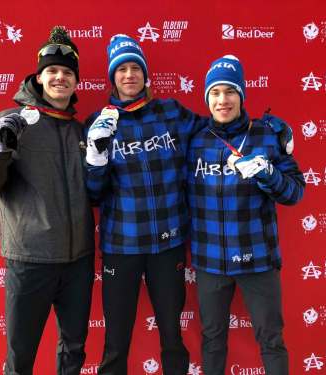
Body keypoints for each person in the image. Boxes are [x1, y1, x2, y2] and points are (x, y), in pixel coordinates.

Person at [0, 27, 95, 375]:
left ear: (75, 82)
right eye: (52, 71)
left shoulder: (80, 130)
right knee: (20, 356)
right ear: (39, 77)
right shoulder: (11, 121)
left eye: (67, 73)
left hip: (78, 261)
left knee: (74, 350)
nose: (60, 78)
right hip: (31, 260)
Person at [85, 34, 200, 375]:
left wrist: (259, 134)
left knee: (171, 335)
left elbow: (215, 136)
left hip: (168, 244)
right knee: (116, 341)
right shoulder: (99, 122)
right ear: (113, 77)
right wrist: (96, 155)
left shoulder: (170, 112)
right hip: (122, 245)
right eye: (121, 69)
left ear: (146, 74)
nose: (129, 75)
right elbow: (93, 193)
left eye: (136, 67)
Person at [186, 55, 305, 375]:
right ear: (207, 98)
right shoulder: (195, 138)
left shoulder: (266, 135)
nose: (222, 100)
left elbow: (295, 193)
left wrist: (268, 172)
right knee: (212, 340)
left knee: (271, 340)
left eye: (229, 91)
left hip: (258, 259)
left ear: (241, 95)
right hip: (211, 261)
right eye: (214, 92)